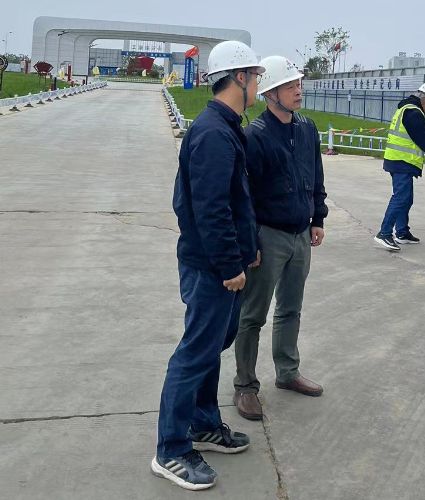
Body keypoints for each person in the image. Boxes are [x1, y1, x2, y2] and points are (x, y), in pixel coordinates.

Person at [151, 41, 265, 491]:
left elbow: (236, 200)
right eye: (255, 75)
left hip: (224, 261)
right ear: (239, 77)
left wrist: (247, 248)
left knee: (212, 345)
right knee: (195, 352)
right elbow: (209, 207)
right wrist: (229, 264)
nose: (258, 83)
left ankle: (202, 424)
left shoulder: (226, 126)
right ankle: (171, 449)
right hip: (211, 267)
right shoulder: (214, 133)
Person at [233, 55, 328, 421]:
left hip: (300, 233)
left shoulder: (307, 128)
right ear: (270, 93)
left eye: (298, 84)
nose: (298, 91)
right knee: (252, 315)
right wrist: (251, 242)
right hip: (268, 236)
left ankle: (287, 372)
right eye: (290, 86)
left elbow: (315, 174)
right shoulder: (255, 136)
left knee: (291, 308)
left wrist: (317, 217)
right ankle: (245, 385)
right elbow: (245, 195)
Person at [374, 82, 425, 251]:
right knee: (400, 198)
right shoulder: (413, 112)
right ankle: (384, 233)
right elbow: (421, 137)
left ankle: (402, 232)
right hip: (401, 161)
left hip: (399, 160)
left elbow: (423, 133)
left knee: (406, 198)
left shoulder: (408, 109)